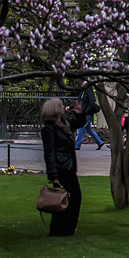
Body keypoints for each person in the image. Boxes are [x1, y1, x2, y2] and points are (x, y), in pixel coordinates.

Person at [40, 97, 88, 237]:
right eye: (61, 106)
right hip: (61, 168)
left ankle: (65, 229)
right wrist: (53, 175)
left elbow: (79, 123)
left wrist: (79, 113)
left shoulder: (64, 123)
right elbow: (49, 153)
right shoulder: (49, 129)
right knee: (63, 199)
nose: (64, 108)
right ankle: (60, 229)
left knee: (72, 197)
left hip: (69, 167)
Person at [73, 82, 103, 151]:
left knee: (81, 128)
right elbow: (78, 101)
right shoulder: (82, 93)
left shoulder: (89, 93)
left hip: (86, 114)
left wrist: (86, 111)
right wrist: (70, 106)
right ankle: (99, 142)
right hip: (84, 113)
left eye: (83, 84)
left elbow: (92, 103)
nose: (82, 85)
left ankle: (76, 145)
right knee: (88, 129)